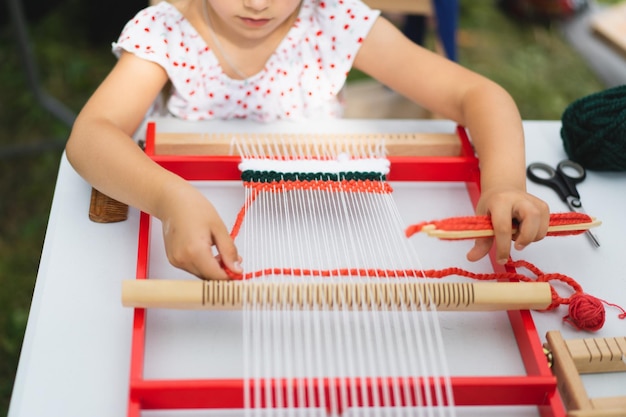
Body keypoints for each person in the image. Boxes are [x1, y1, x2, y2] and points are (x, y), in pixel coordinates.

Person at [65, 0, 550, 281]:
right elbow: (91, 136)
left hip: (323, 222)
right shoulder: (166, 32)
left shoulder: (330, 19)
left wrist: (504, 182)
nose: (258, 4)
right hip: (205, 219)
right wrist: (169, 197)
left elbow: (477, 94)